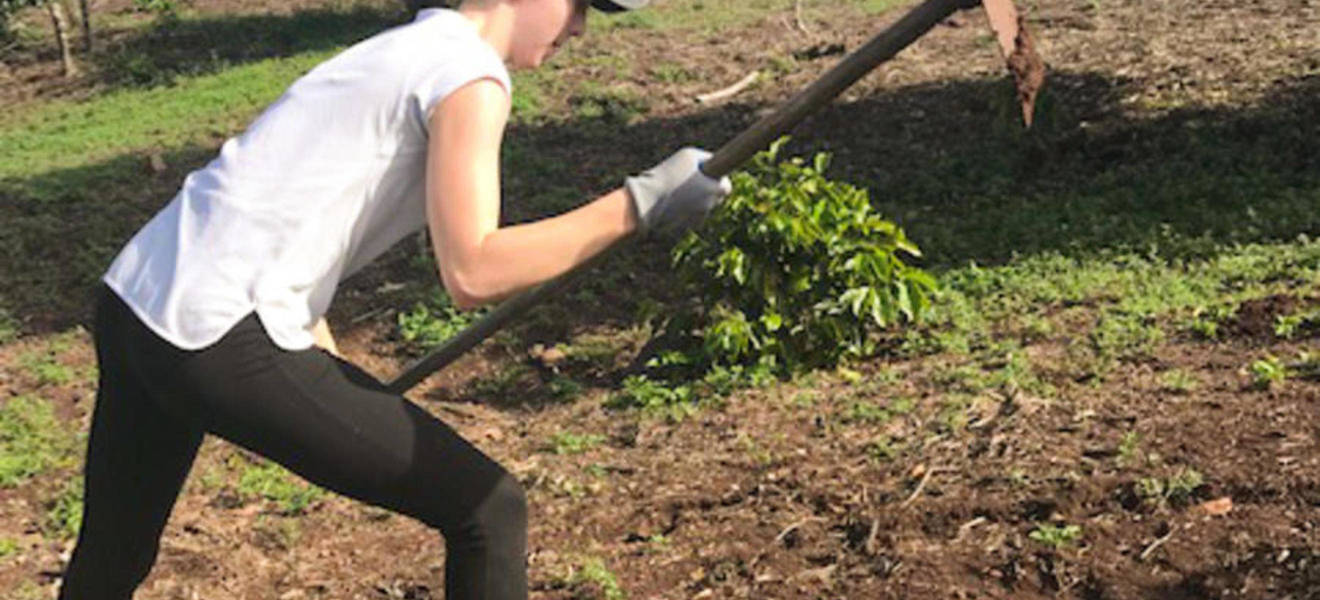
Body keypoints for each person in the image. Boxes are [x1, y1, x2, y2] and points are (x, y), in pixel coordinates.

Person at [58, 0, 730, 598]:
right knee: (489, 509)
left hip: (135, 300)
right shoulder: (470, 75)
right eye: (579, 4)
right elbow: (474, 271)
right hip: (214, 329)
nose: (580, 26)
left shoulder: (404, 47)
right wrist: (640, 204)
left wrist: (312, 335)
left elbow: (281, 193)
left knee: (113, 558)